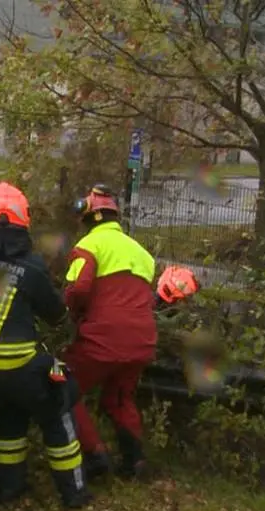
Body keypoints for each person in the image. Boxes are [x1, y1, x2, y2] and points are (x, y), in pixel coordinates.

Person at [0, 182, 93, 509]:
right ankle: (74, 493)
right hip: (16, 365)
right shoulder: (30, 266)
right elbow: (56, 316)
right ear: (23, 221)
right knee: (60, 395)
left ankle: (10, 489)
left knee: (8, 413)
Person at [63, 185, 157, 481]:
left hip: (103, 340)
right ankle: (135, 461)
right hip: (142, 341)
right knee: (119, 398)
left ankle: (95, 455)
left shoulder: (89, 246)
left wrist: (69, 313)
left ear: (89, 218)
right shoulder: (143, 254)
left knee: (64, 386)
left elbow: (78, 289)